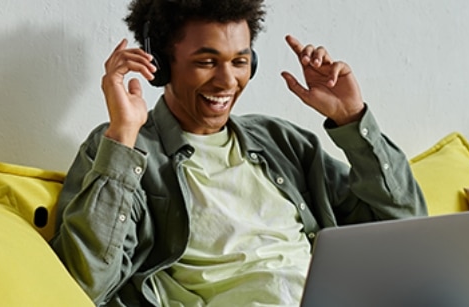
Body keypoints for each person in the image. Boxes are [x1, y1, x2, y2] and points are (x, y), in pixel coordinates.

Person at [50, 0, 427, 306]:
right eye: (207, 61)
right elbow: (85, 282)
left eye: (240, 61)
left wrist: (352, 121)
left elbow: (406, 230)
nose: (228, 81)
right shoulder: (123, 150)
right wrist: (122, 136)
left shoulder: (282, 142)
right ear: (161, 66)